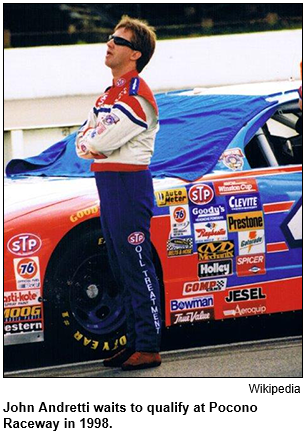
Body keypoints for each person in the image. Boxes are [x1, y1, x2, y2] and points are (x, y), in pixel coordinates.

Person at [75, 16, 161, 371]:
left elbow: (102, 139)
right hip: (108, 183)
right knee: (118, 265)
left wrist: (93, 141)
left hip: (129, 184)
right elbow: (82, 143)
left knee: (136, 264)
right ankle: (133, 341)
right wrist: (92, 142)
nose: (108, 43)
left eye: (118, 40)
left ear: (135, 53)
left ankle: (150, 345)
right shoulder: (108, 94)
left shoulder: (137, 93)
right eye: (110, 38)